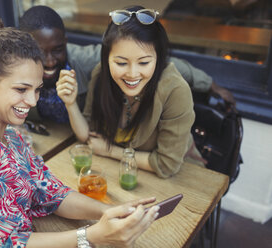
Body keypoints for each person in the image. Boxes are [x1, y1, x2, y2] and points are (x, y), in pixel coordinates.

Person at [0, 12, 160, 247]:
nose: (33, 101)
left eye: (36, 89)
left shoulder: (11, 138)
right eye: (21, 89)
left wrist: (110, 211)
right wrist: (91, 236)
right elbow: (5, 243)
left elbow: (51, 192)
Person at [57, 6, 205, 179]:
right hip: (126, 175)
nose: (132, 74)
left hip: (182, 179)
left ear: (158, 58)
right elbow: (89, 137)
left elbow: (167, 165)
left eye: (143, 63)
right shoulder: (101, 74)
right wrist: (70, 103)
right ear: (106, 58)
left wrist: (111, 151)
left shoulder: (175, 91)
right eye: (121, 63)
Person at [18, 5, 236, 123]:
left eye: (57, 50)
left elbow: (162, 63)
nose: (49, 61)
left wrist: (210, 85)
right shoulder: (15, 68)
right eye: (39, 52)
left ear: (65, 43)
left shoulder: (84, 61)